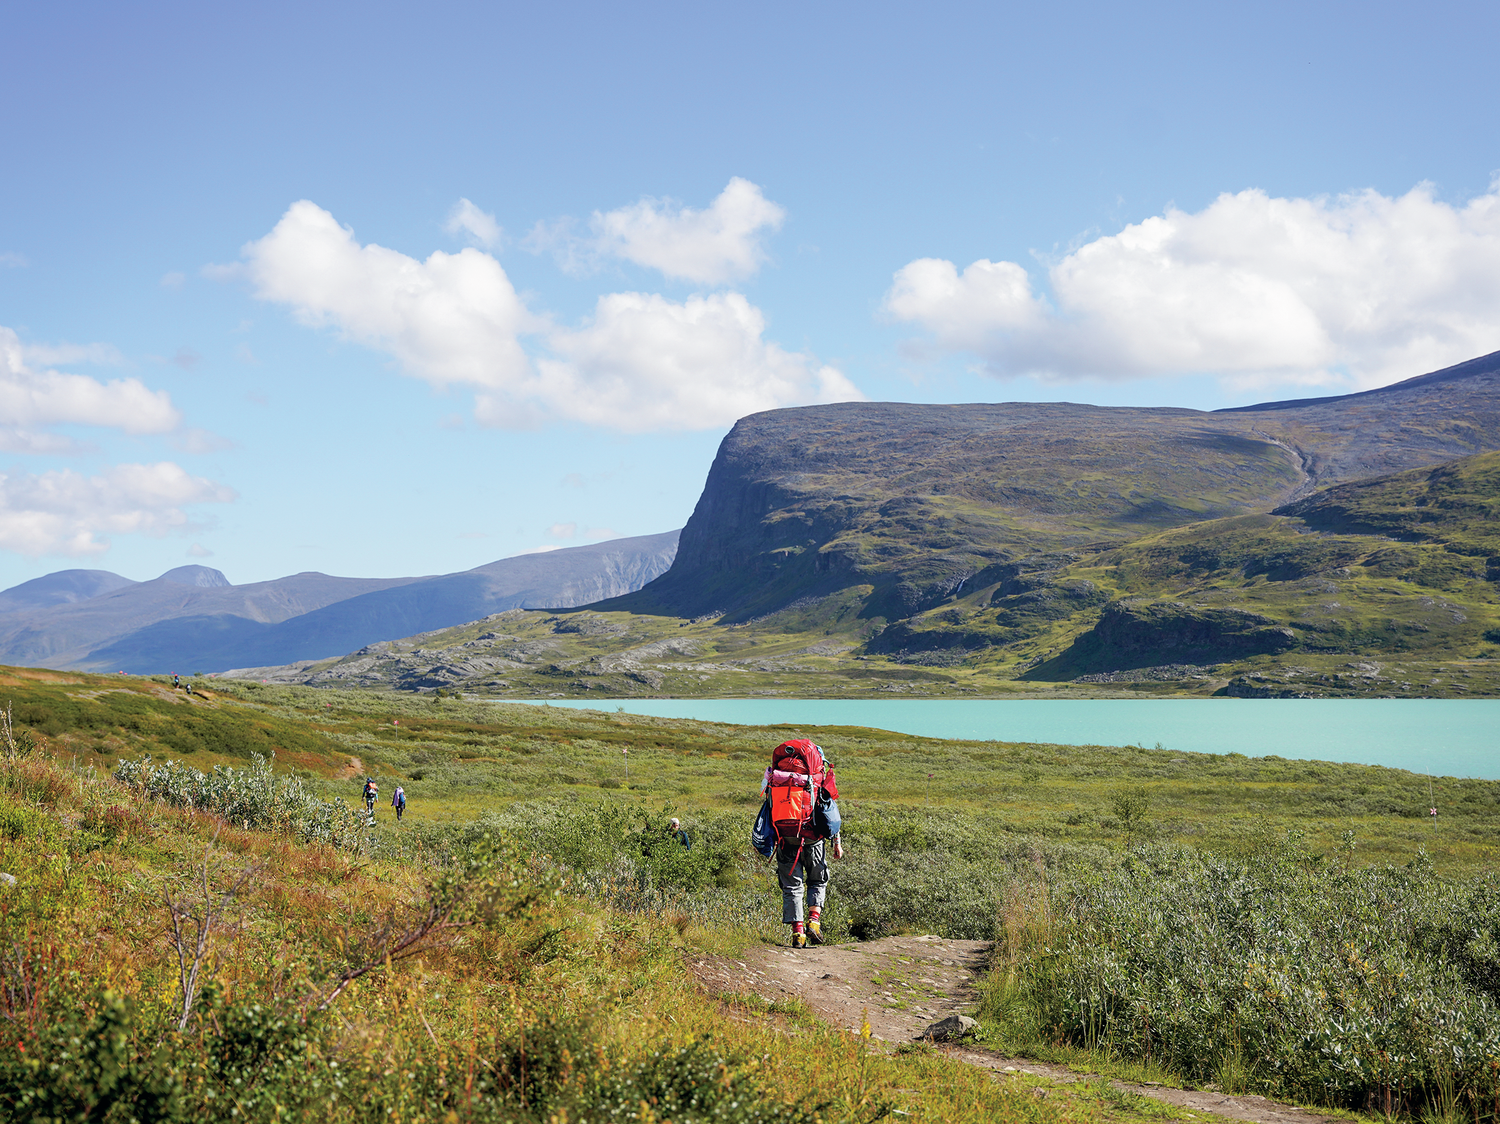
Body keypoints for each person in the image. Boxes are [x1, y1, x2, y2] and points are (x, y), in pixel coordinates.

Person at [766, 741, 843, 948]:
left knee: (792, 886)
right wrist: (837, 842)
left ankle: (798, 934)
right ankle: (814, 922)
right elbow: (830, 813)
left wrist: (769, 841)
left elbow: (768, 810)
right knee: (818, 880)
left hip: (785, 838)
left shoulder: (777, 780)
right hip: (812, 839)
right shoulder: (817, 780)